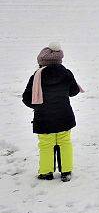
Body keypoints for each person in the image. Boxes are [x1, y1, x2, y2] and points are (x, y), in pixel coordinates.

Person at [22, 43, 83, 182]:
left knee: (46, 145)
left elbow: (26, 98)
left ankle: (46, 172)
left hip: (44, 118)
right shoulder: (66, 73)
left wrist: (38, 106)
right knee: (65, 142)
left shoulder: (36, 76)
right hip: (64, 116)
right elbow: (74, 91)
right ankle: (66, 172)